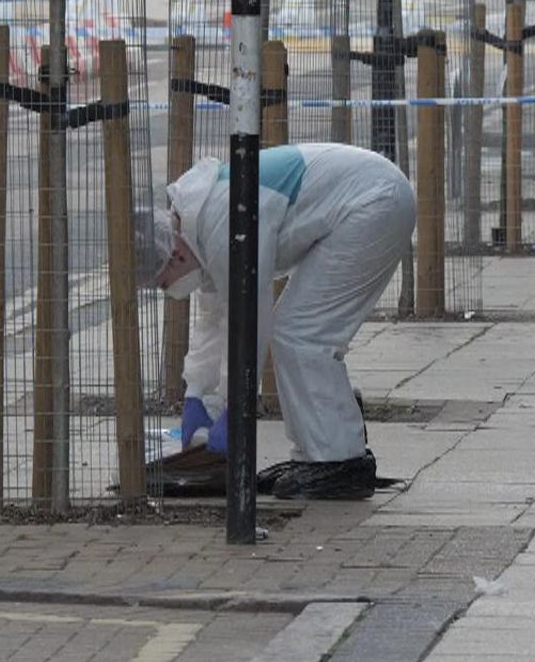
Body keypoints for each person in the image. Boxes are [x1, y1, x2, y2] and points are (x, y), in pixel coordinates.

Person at [148, 143, 416, 500]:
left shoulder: (221, 221)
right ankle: (318, 455)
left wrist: (234, 406)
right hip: (369, 196)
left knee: (301, 332)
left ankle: (340, 461)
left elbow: (248, 319)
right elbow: (214, 320)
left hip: (374, 202)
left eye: (163, 282)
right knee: (298, 331)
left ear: (176, 255)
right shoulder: (199, 226)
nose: (167, 290)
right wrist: (197, 394)